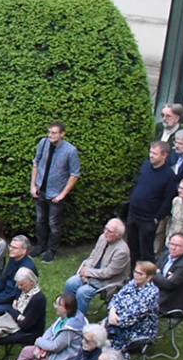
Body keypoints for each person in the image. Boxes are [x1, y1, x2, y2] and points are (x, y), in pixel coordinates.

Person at [28, 123, 79, 262]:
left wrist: (62, 195)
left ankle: (51, 251)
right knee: (40, 221)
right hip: (40, 191)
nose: (50, 135)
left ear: (62, 134)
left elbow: (74, 175)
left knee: (53, 224)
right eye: (49, 132)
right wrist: (33, 185)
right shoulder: (43, 143)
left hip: (55, 194)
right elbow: (36, 163)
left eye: (54, 133)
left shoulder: (70, 151)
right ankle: (40, 246)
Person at [62, 218, 130, 317]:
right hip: (92, 273)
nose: (105, 232)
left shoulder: (122, 251)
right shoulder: (102, 238)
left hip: (107, 282)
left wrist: (88, 273)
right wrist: (86, 269)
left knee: (82, 292)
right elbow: (93, 256)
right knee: (70, 283)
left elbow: (108, 273)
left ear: (118, 235)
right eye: (105, 229)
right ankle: (67, 313)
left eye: (109, 231)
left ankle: (78, 320)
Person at [104, 260, 161, 351]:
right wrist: (112, 311)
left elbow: (134, 315)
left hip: (138, 328)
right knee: (95, 335)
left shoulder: (152, 293)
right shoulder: (132, 283)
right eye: (135, 272)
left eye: (140, 274)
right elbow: (116, 298)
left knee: (104, 342)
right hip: (115, 319)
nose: (136, 275)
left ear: (149, 277)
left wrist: (113, 321)